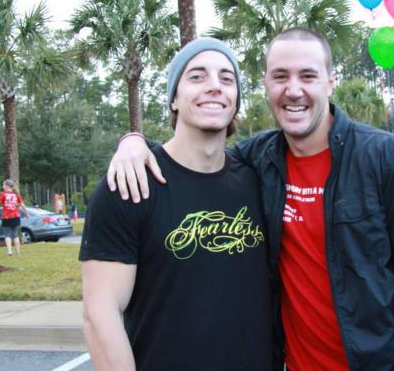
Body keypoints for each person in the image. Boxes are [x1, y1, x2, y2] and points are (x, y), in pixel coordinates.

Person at [108, 28, 394, 370]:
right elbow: (197, 154)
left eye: (308, 76)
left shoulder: (388, 159)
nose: (294, 90)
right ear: (266, 84)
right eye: (280, 76)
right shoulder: (260, 160)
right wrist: (134, 141)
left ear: (330, 81)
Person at [79, 37, 272, 370]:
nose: (214, 86)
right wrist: (131, 140)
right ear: (174, 100)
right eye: (197, 76)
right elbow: (100, 315)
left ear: (236, 99)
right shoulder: (131, 184)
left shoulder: (260, 181)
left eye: (226, 79)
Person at [0, 179, 29, 256]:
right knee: (15, 235)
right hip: (16, 217)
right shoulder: (16, 195)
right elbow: (22, 205)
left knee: (7, 235)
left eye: (3, 185)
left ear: (7, 186)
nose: (2, 186)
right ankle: (18, 252)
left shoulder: (3, 195)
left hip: (6, 217)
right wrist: (27, 213)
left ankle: (9, 251)